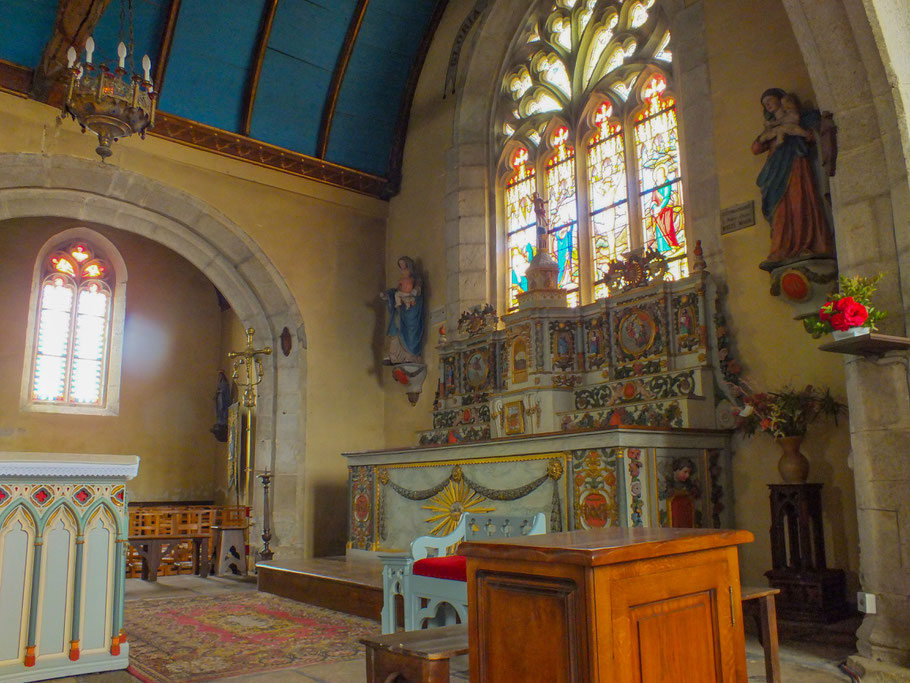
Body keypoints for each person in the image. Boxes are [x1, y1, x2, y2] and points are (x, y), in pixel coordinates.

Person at [752, 88, 834, 267]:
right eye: (765, 103)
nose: (768, 104)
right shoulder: (770, 125)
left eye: (770, 99)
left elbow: (812, 135)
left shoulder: (797, 116)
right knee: (779, 208)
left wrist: (801, 133)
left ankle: (810, 244)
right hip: (775, 169)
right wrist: (768, 135)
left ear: (781, 100)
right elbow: (756, 149)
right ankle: (781, 249)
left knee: (800, 200)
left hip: (795, 164)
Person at [380, 256, 425, 364]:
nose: (403, 268)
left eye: (404, 265)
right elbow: (396, 291)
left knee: (410, 332)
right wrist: (388, 295)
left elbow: (418, 289)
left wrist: (414, 293)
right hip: (401, 308)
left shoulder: (416, 279)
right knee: (395, 329)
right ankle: (395, 356)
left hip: (411, 307)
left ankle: (410, 355)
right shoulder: (401, 280)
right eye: (400, 266)